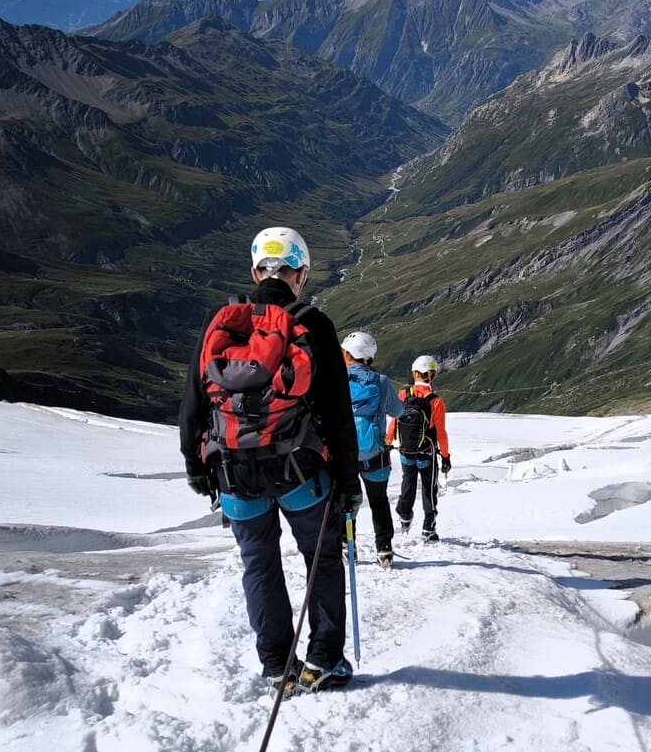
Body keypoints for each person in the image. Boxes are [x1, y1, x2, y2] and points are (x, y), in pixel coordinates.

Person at [179, 226, 362, 695]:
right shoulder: (313, 324)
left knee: (258, 564)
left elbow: (194, 401)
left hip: (234, 471)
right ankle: (324, 660)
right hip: (301, 471)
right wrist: (347, 482)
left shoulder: (221, 322)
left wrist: (196, 465)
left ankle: (278, 663)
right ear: (300, 273)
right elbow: (338, 413)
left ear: (255, 270)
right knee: (319, 561)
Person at [340, 330, 404, 569]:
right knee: (378, 501)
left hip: (344, 455)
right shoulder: (381, 381)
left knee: (347, 502)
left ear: (348, 354)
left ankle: (348, 546)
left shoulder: (336, 380)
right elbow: (397, 412)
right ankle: (384, 550)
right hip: (375, 454)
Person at [387, 354, 451, 542]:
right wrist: (446, 456)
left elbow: (395, 422)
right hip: (427, 452)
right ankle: (428, 527)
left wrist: (388, 441)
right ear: (431, 375)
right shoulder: (436, 401)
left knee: (408, 483)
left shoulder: (403, 394)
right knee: (429, 488)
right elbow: (441, 433)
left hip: (406, 450)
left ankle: (405, 518)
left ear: (414, 373)